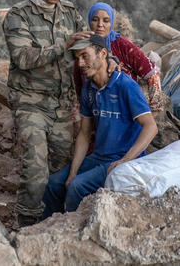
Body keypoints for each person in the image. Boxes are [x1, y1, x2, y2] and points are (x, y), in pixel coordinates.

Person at [3, 0, 108, 227]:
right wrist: (63, 45)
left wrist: (110, 58)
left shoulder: (70, 13)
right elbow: (23, 58)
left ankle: (53, 223)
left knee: (60, 170)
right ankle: (27, 226)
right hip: (30, 102)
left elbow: (86, 51)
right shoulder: (18, 15)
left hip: (62, 105)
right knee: (35, 170)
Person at [42, 35, 158, 217]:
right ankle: (47, 229)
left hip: (121, 159)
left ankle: (70, 231)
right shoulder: (89, 88)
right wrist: (73, 171)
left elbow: (151, 127)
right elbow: (84, 133)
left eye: (85, 56)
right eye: (77, 58)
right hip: (98, 157)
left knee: (76, 186)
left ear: (103, 53)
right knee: (54, 183)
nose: (80, 63)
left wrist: (125, 161)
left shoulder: (126, 85)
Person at [75, 2, 163, 114]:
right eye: (95, 20)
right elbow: (79, 86)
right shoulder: (82, 48)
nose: (100, 25)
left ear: (111, 23)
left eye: (106, 21)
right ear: (89, 22)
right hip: (95, 114)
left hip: (125, 112)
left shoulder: (121, 45)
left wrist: (154, 111)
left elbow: (152, 73)